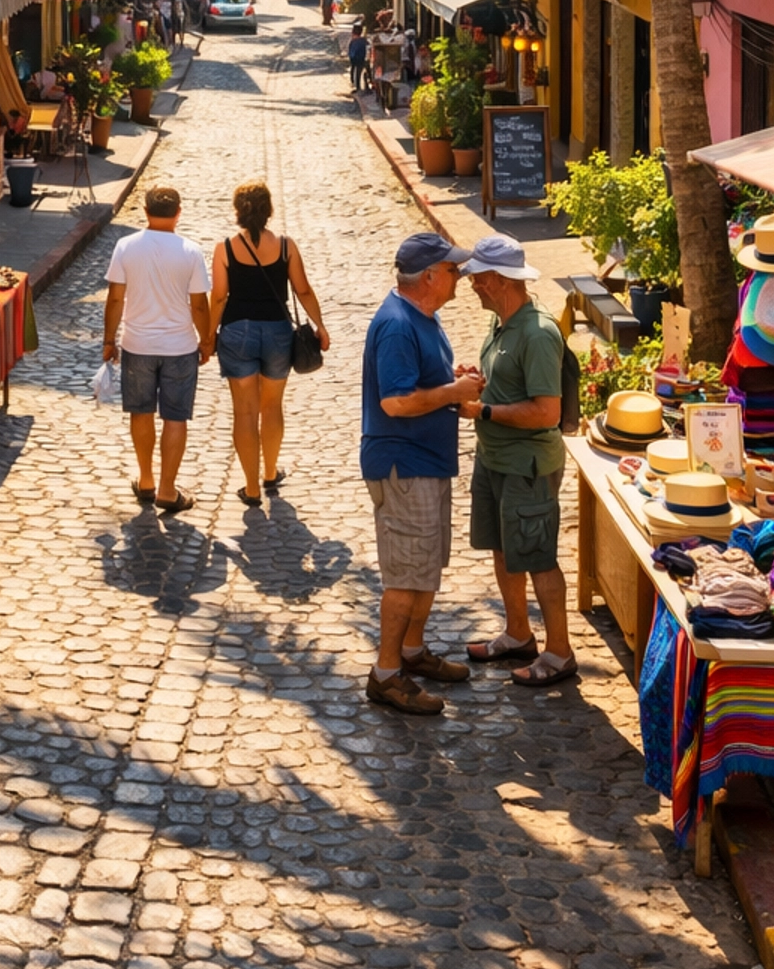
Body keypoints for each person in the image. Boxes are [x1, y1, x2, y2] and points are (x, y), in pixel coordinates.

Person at [359, 231, 482, 715]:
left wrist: (454, 381)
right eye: (452, 269)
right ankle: (386, 673)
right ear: (429, 276)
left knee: (425, 567)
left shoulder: (424, 317)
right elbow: (396, 401)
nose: (459, 276)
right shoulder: (397, 325)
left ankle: (411, 652)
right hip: (404, 463)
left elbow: (421, 385)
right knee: (406, 575)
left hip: (425, 460)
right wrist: (454, 393)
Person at [460, 235, 575, 685]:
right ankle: (518, 634)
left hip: (527, 465)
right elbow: (509, 383)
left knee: (538, 556)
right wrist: (477, 382)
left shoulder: (537, 333)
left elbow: (547, 411)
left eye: (477, 278)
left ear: (498, 280)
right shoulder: (502, 323)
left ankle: (560, 652)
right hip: (495, 458)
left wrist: (484, 410)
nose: (471, 285)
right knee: (504, 549)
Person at [209, 182, 329, 505]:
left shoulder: (225, 249)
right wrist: (320, 326)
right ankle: (270, 472)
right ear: (269, 210)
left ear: (238, 210)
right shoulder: (287, 247)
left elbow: (219, 296)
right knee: (272, 406)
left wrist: (208, 337)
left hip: (237, 332)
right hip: (278, 332)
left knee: (245, 412)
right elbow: (303, 290)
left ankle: (250, 488)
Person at [102, 184, 213, 516]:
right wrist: (206, 340)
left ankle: (147, 479)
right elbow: (199, 305)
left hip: (138, 344)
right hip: (179, 346)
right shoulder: (190, 251)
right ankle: (168, 489)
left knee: (141, 411)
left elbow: (116, 298)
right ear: (179, 212)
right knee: (176, 417)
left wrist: (109, 340)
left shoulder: (126, 247)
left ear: (146, 212)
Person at [346, 26, 370, 93]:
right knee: (364, 73)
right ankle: (366, 87)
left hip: (356, 60)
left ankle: (358, 88)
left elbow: (352, 53)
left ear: (353, 33)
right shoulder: (364, 41)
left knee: (356, 74)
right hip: (364, 60)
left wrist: (351, 58)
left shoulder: (354, 42)